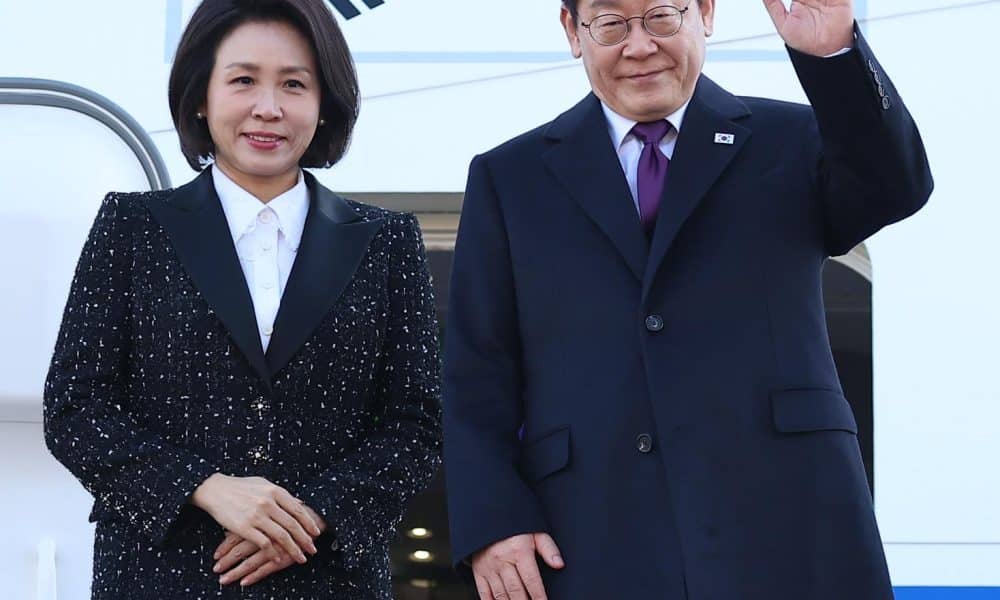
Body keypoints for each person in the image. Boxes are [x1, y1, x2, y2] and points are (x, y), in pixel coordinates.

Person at [443, 0, 932, 598]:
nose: (639, 46)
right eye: (611, 24)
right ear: (573, 31)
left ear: (705, 13)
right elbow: (477, 368)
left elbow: (894, 188)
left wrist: (833, 55)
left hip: (790, 523)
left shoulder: (793, 139)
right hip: (591, 534)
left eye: (661, 17)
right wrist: (494, 519)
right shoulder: (509, 177)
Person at [43, 1, 441, 597]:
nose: (268, 108)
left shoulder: (386, 241)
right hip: (161, 576)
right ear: (201, 97)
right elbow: (76, 408)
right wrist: (205, 487)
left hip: (327, 577)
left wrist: (308, 518)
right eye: (243, 80)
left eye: (294, 84)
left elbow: (417, 422)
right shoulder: (131, 227)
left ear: (324, 102)